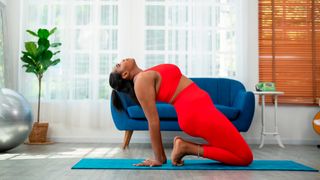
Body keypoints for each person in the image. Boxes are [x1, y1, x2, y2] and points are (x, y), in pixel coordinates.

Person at [109, 58, 253, 167]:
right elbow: (152, 121)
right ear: (125, 74)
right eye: (118, 65)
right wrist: (159, 158)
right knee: (245, 158)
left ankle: (184, 146)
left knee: (230, 149)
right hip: (196, 113)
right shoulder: (140, 81)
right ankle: (187, 147)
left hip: (201, 110)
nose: (121, 60)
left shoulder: (146, 74)